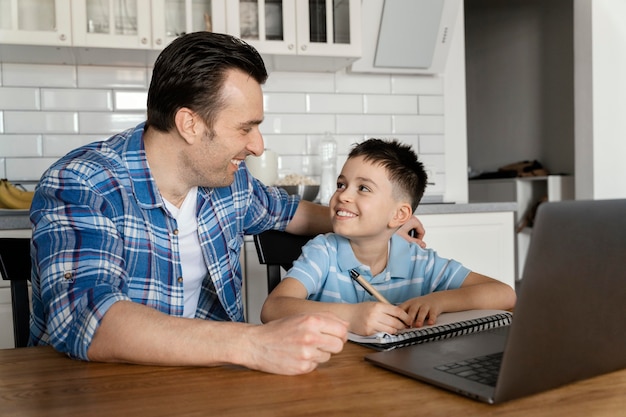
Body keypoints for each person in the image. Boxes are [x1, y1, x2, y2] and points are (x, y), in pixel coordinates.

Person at [28, 32, 424, 375]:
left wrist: (376, 222)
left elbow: (292, 213)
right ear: (190, 124)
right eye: (245, 127)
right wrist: (254, 344)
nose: (257, 145)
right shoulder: (84, 183)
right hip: (100, 386)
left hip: (212, 383)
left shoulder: (227, 184)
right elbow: (88, 320)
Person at [261, 139, 516, 336]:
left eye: (363, 188)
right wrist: (350, 316)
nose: (343, 196)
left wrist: (437, 301)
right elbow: (273, 309)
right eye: (341, 184)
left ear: (398, 215)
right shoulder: (323, 252)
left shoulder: (419, 261)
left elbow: (504, 294)